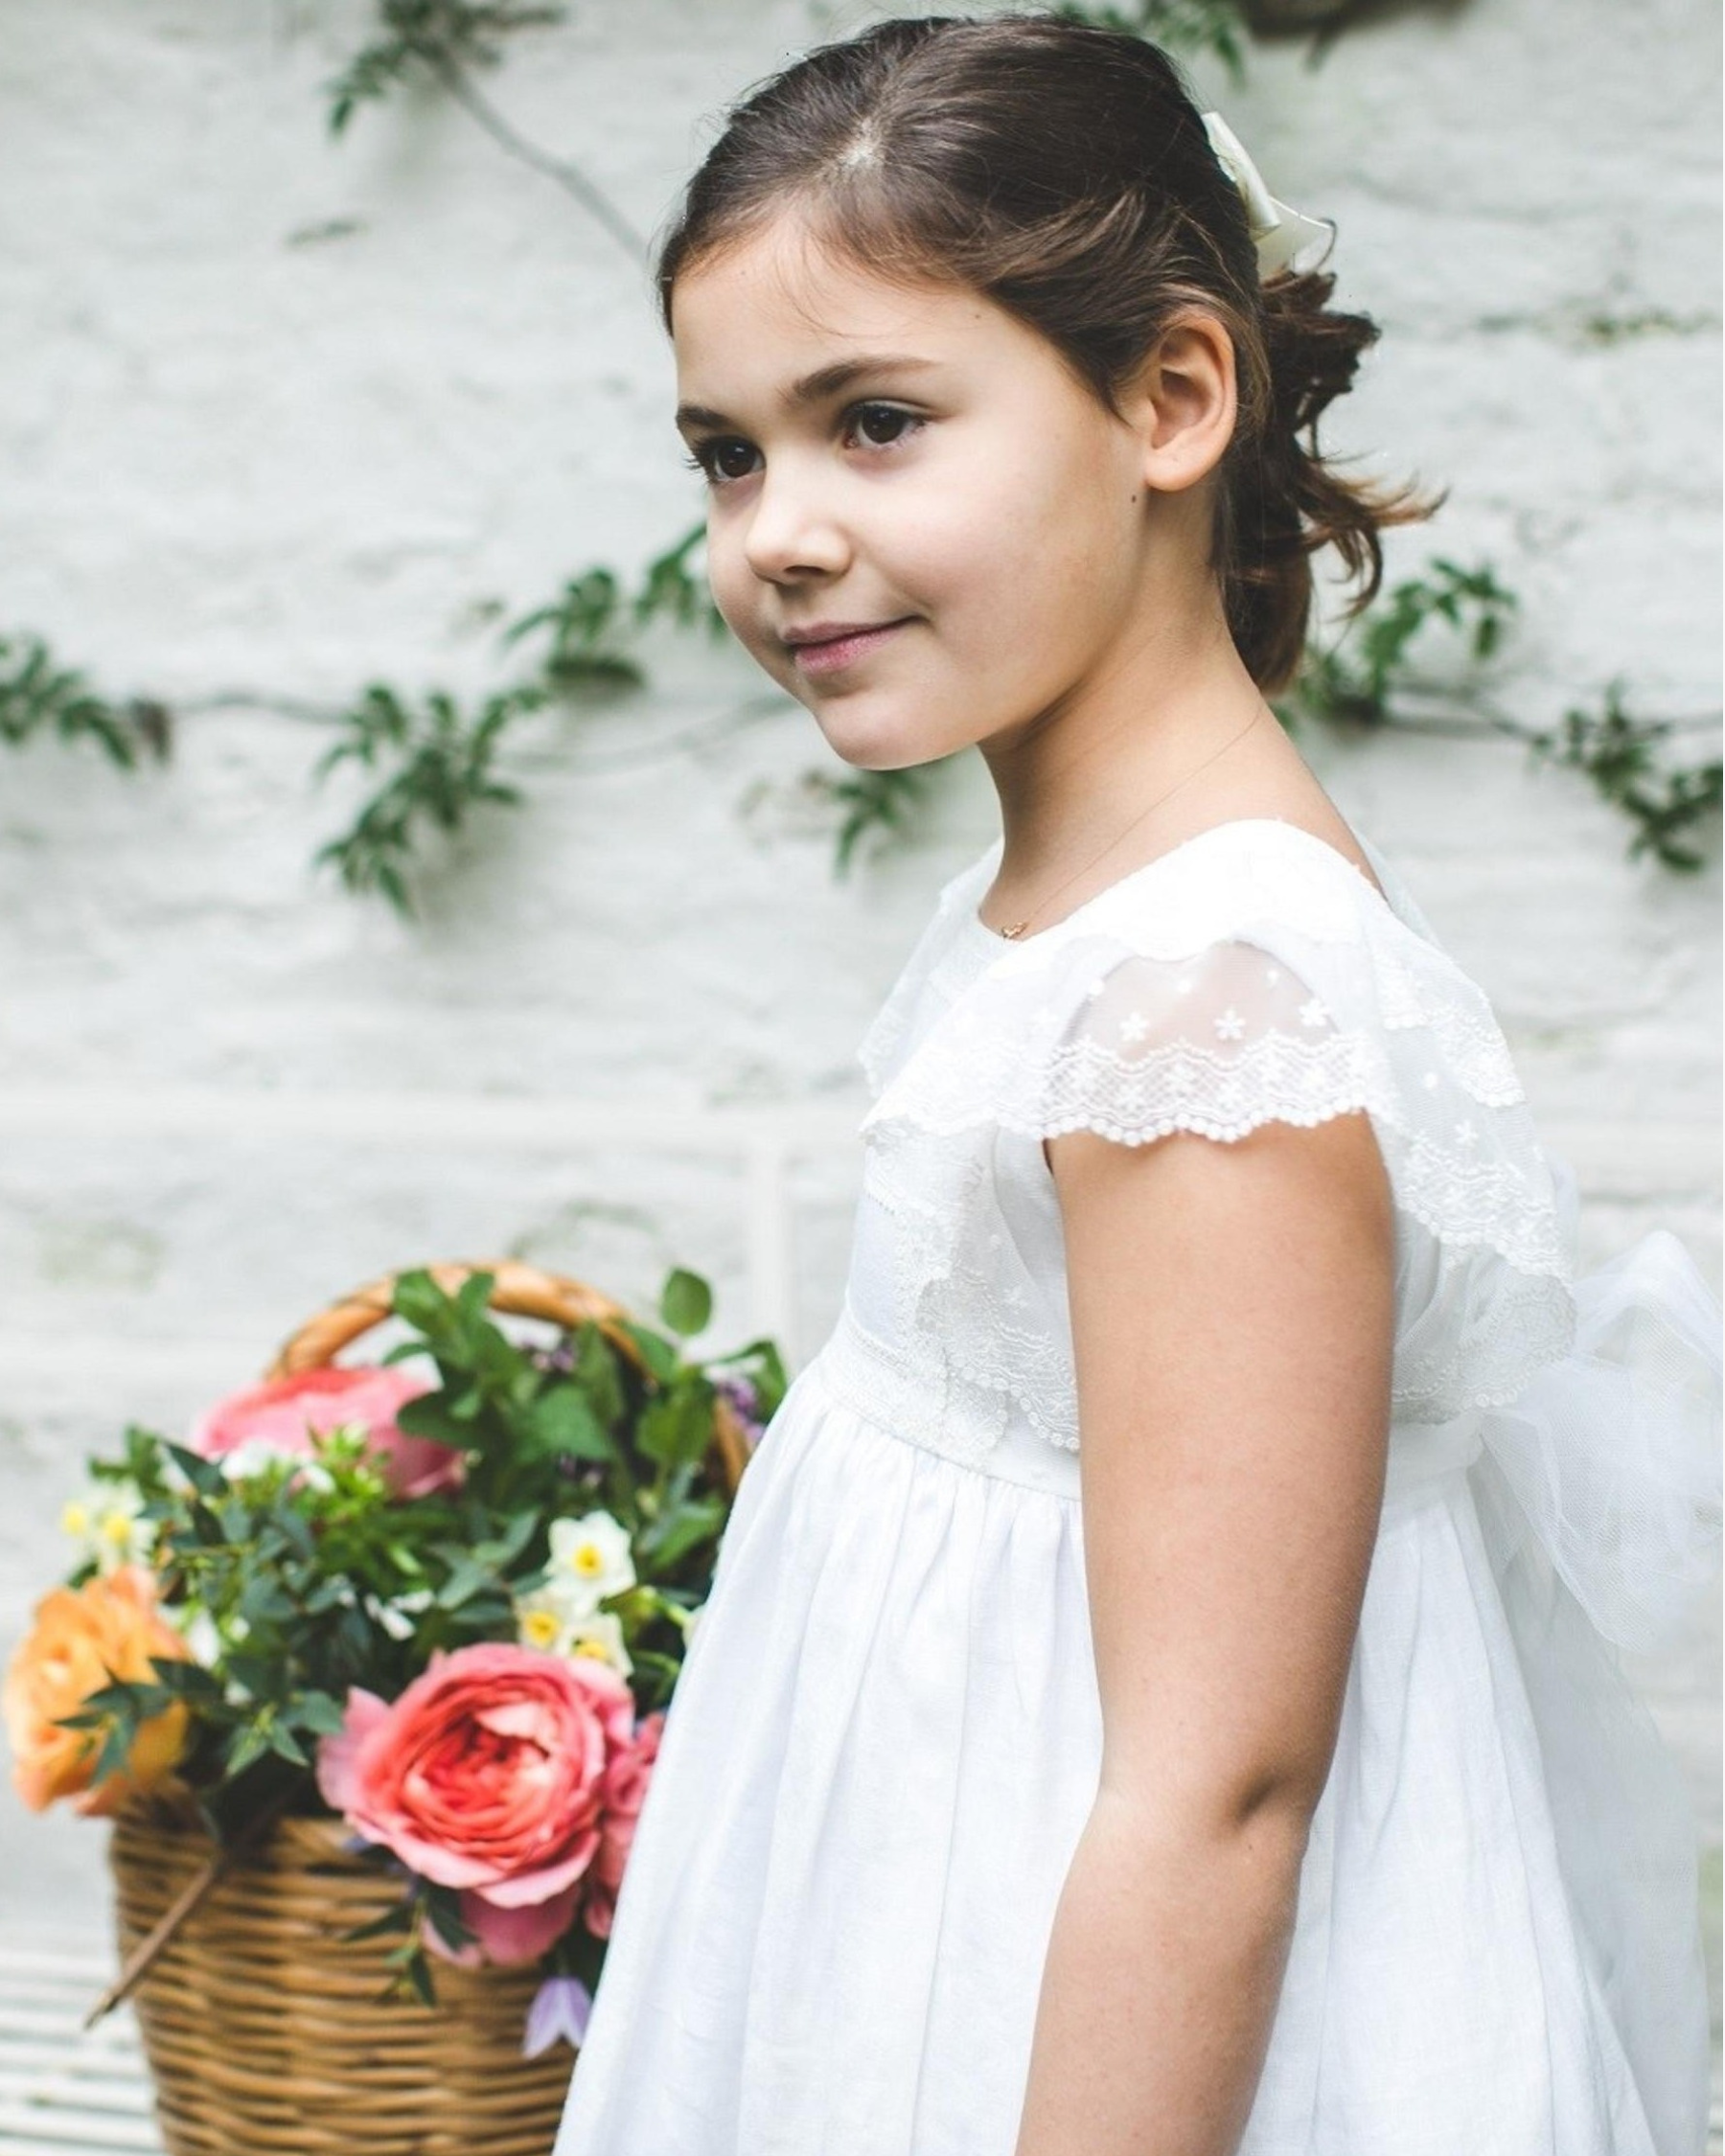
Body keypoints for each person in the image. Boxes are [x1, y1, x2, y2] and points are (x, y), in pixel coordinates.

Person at [551, 14, 1722, 2153]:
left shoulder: (1204, 1018)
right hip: (937, 1905)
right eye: (727, 453)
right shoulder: (1088, 914)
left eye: (876, 422)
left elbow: (1218, 1796)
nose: (777, 532)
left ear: (1172, 397)